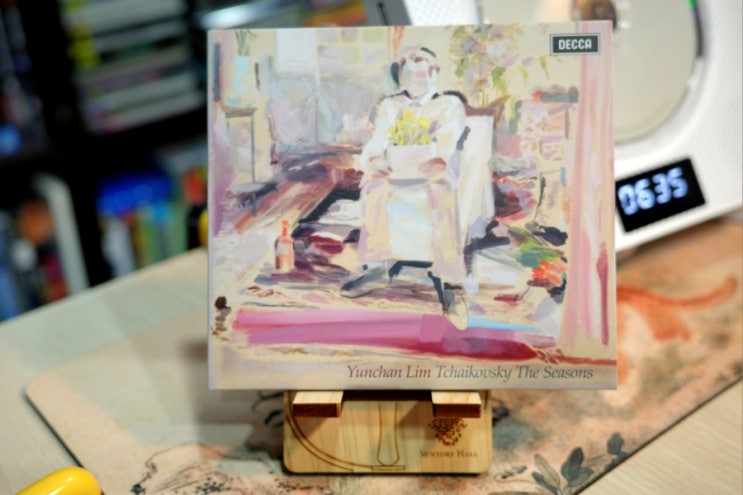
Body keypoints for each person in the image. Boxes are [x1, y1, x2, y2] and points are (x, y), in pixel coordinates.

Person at [340, 46, 469, 329]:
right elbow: (377, 142)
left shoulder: (449, 104)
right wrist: (376, 160)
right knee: (373, 186)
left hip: (433, 171)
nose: (414, 78)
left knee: (443, 192)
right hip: (396, 170)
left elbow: (447, 144)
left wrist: (437, 162)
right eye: (409, 73)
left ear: (434, 73)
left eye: (421, 73)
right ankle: (377, 268)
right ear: (401, 75)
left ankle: (451, 284)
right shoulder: (390, 105)